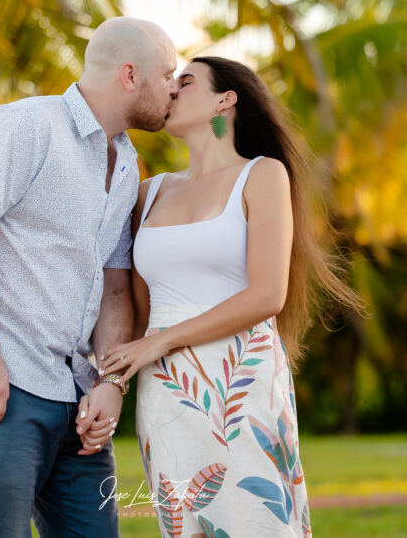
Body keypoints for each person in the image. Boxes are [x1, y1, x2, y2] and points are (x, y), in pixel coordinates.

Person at [0, 16, 179, 537]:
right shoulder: (27, 126)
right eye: (168, 75)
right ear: (130, 76)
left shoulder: (129, 165)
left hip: (77, 401)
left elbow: (115, 287)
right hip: (2, 387)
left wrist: (111, 383)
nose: (174, 89)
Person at [92, 57, 361, 536]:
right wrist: (113, 384)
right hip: (166, 394)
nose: (171, 89)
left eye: (186, 81)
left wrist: (163, 340)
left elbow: (267, 295)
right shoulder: (147, 193)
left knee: (256, 522)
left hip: (242, 383)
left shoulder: (262, 176)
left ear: (226, 100)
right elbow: (137, 311)